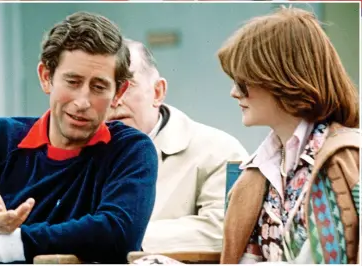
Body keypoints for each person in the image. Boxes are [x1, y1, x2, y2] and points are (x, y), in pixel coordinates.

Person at [0, 12, 158, 264]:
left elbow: (118, 233)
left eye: (99, 87)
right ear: (46, 77)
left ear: (118, 92)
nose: (82, 102)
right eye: (73, 81)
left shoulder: (131, 149)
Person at [217, 6, 359, 264]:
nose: (234, 93)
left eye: (242, 82)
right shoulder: (259, 170)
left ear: (281, 80)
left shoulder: (345, 157)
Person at [107, 39, 249, 253]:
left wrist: (112, 236)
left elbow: (222, 230)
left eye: (126, 86)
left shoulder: (218, 150)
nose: (113, 100)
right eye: (102, 87)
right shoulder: (71, 152)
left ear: (157, 92)